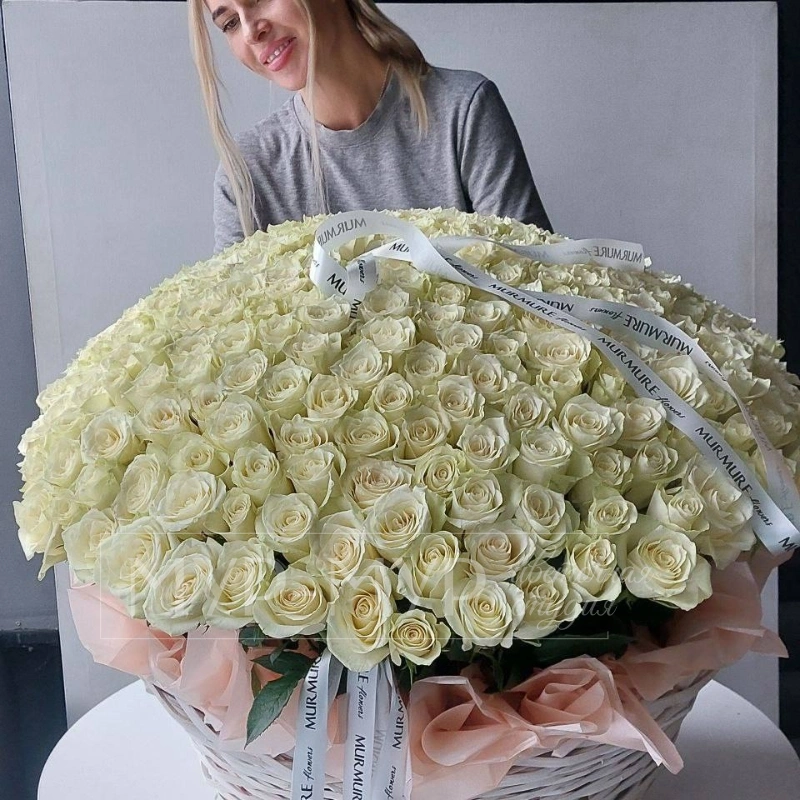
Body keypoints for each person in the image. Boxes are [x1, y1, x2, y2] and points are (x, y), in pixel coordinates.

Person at [188, 0, 552, 254]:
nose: (250, 32)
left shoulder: (464, 109)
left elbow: (538, 292)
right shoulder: (246, 173)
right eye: (229, 23)